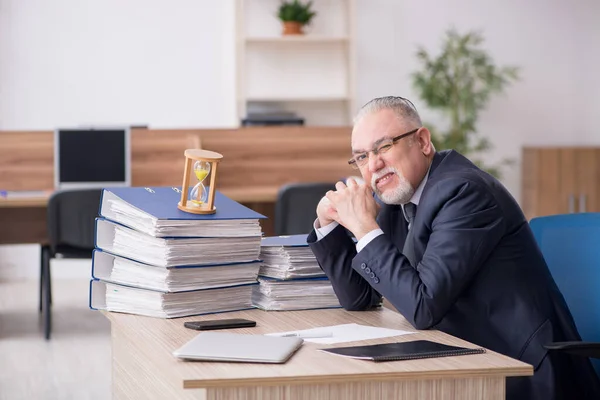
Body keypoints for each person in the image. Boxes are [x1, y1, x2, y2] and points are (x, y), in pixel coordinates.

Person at [307, 96, 600, 400]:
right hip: (463, 358)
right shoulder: (398, 199)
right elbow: (361, 298)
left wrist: (365, 227)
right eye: (362, 157)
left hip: (519, 371)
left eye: (383, 147)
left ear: (422, 141)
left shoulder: (464, 192)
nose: (374, 165)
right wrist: (327, 223)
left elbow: (423, 307)